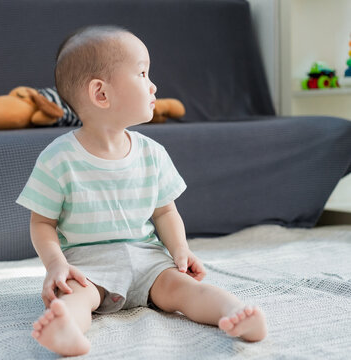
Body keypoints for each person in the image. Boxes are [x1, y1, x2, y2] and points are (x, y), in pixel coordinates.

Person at [16, 25, 267, 357]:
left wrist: (180, 249)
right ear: (101, 94)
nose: (153, 85)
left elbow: (165, 211)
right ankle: (67, 330)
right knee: (76, 297)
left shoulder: (152, 153)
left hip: (148, 260)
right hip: (88, 265)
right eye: (142, 73)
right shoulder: (58, 159)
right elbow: (42, 223)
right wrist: (56, 266)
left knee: (187, 291)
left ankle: (235, 314)